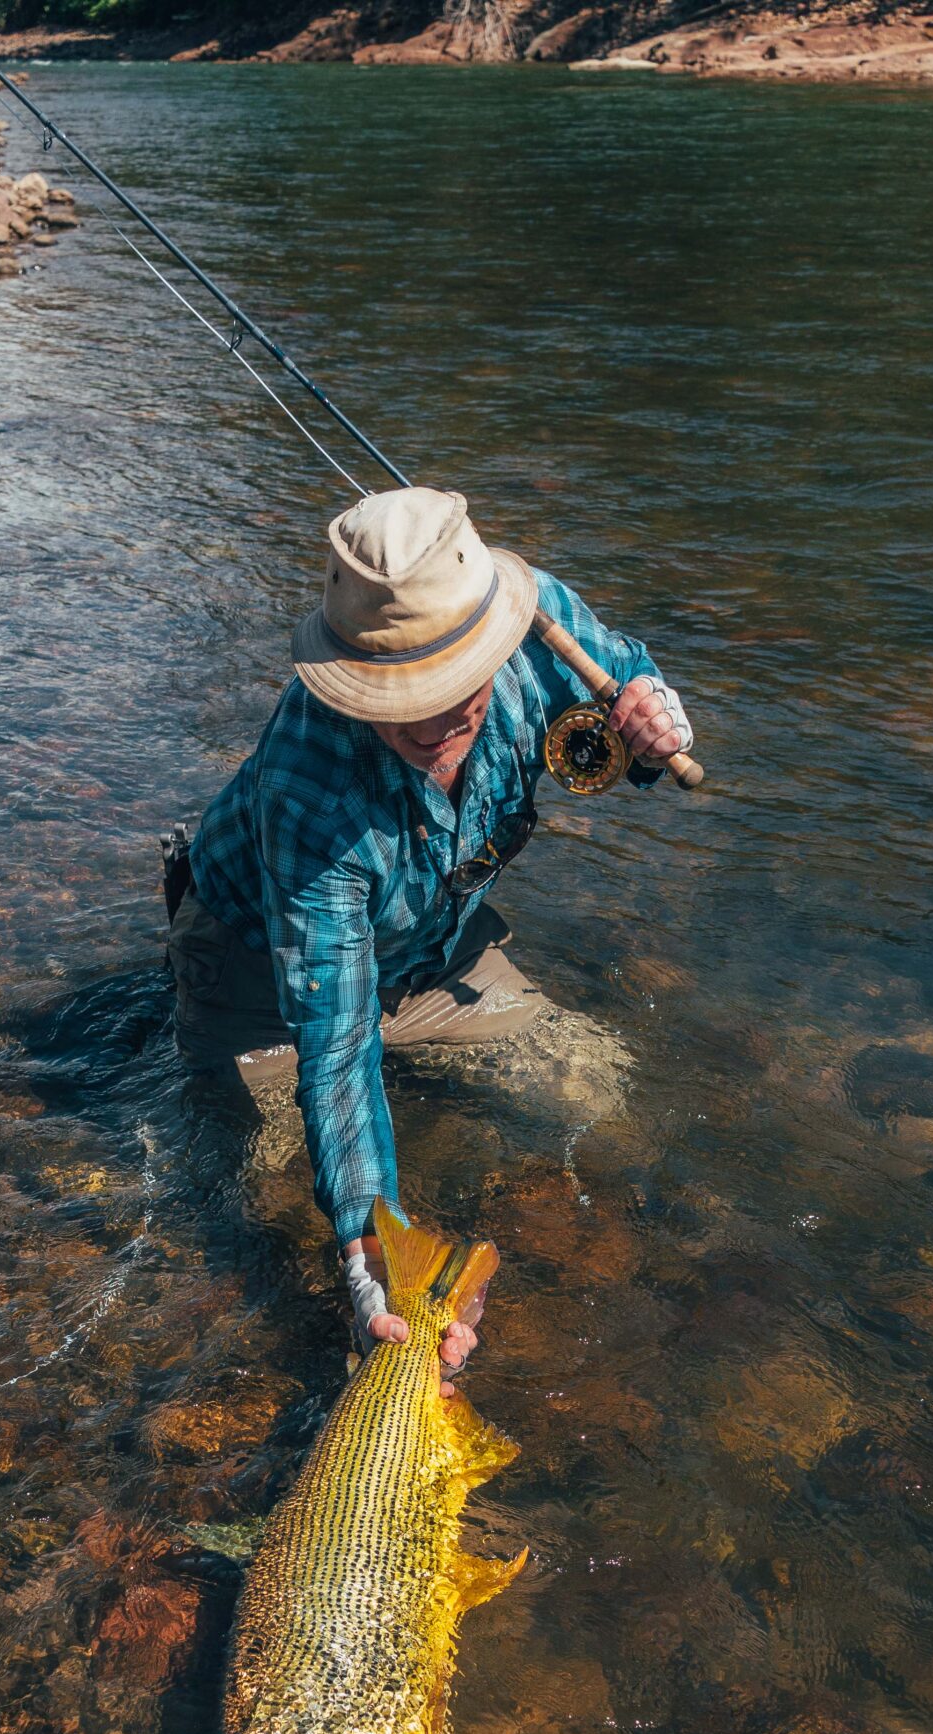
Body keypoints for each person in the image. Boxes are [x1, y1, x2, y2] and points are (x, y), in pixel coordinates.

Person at [168, 486, 692, 1383]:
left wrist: (650, 724)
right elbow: (337, 1047)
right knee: (255, 1185)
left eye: (458, 685)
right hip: (262, 982)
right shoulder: (308, 785)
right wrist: (374, 1253)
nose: (436, 719)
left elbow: (621, 690)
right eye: (400, 695)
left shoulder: (535, 620)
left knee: (600, 1095)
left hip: (433, 954)